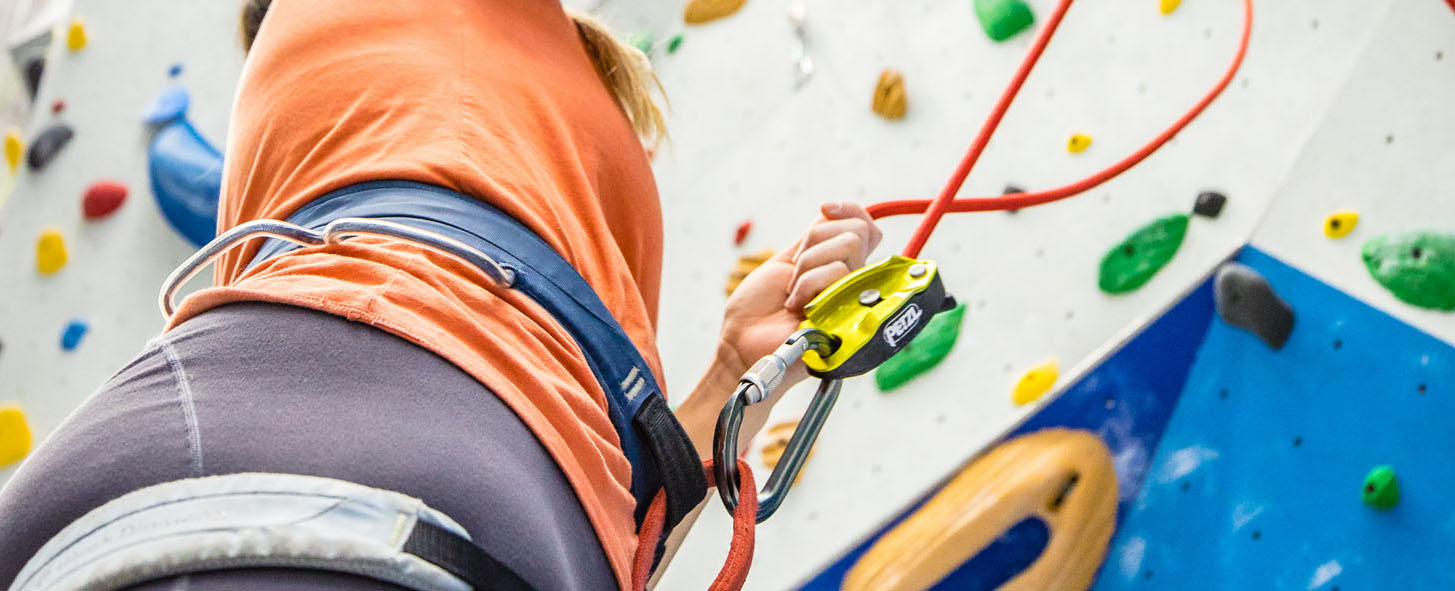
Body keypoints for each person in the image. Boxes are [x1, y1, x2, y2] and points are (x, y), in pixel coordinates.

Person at [0, 1, 883, 589]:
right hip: (472, 470)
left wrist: (733, 372)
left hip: (114, 467)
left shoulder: (336, 92)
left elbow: (618, 526)